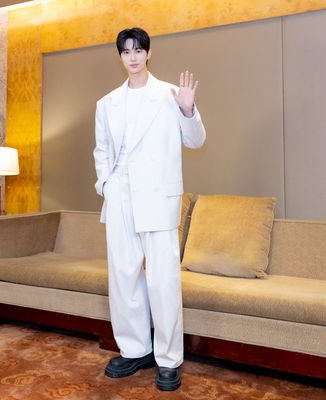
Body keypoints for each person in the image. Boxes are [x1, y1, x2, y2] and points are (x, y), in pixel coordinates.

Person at [93, 27, 206, 391]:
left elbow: (196, 140)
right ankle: (135, 350)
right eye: (126, 51)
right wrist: (107, 185)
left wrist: (188, 110)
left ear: (148, 53)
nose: (133, 57)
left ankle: (169, 359)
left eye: (138, 50)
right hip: (120, 195)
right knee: (124, 275)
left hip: (157, 196)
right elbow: (102, 151)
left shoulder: (171, 95)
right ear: (120, 56)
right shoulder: (107, 103)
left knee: (163, 279)